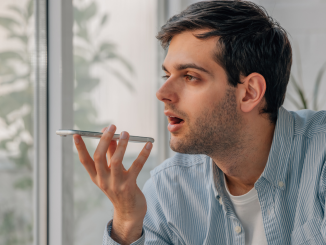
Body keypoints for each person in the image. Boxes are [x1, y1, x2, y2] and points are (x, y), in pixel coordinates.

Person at [73, 1, 326, 244]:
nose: (162, 93)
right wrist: (127, 221)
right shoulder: (170, 189)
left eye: (191, 77)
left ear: (249, 92)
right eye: (167, 74)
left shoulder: (320, 158)